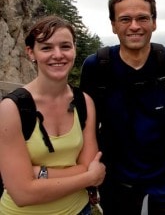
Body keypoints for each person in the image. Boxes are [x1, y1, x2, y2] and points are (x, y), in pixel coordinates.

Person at [80, 0, 165, 214]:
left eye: (142, 18)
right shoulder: (97, 67)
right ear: (114, 25)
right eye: (125, 19)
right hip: (115, 182)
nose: (134, 26)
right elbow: (84, 125)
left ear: (154, 22)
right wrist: (88, 173)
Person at [0, 16, 106, 214]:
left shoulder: (84, 102)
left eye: (65, 46)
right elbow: (22, 194)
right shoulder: (12, 108)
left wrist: (39, 173)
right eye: (46, 48)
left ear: (74, 49)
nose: (58, 55)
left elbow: (89, 163)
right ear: (31, 53)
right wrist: (88, 178)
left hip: (79, 210)